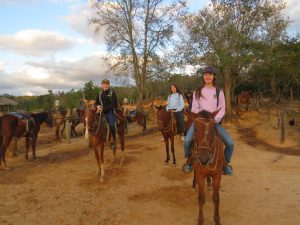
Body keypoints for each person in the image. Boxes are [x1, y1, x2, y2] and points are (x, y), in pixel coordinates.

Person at [183, 66, 234, 175]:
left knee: (230, 143)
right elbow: (195, 107)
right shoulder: (198, 91)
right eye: (205, 75)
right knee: (187, 140)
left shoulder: (219, 91)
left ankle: (225, 164)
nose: (208, 77)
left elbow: (222, 108)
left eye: (210, 75)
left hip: (213, 122)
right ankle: (189, 162)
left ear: (214, 77)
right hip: (200, 122)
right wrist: (200, 118)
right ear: (203, 76)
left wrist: (214, 119)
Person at [95, 79, 118, 150]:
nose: (105, 85)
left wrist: (104, 109)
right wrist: (98, 106)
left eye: (106, 84)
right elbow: (97, 102)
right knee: (92, 122)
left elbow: (113, 104)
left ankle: (113, 141)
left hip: (109, 112)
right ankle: (93, 139)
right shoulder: (99, 93)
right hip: (100, 112)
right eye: (104, 84)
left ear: (109, 85)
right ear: (102, 85)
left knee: (111, 124)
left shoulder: (112, 92)